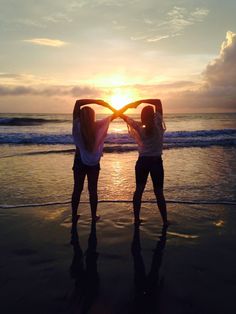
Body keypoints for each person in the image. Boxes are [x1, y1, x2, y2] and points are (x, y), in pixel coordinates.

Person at [120, 99, 168, 226]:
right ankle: (165, 221)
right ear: (154, 115)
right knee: (159, 193)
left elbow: (122, 116)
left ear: (142, 116)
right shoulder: (158, 124)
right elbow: (158, 102)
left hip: (143, 162)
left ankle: (136, 219)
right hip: (156, 162)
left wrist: (127, 106)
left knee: (139, 191)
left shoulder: (139, 127)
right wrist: (141, 101)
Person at [72, 99, 117, 224]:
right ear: (93, 116)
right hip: (94, 163)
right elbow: (116, 114)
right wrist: (107, 105)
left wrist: (96, 102)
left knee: (77, 189)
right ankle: (93, 216)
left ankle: (74, 215)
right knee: (93, 190)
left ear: (80, 116)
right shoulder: (98, 125)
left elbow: (77, 103)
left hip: (79, 160)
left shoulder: (77, 125)